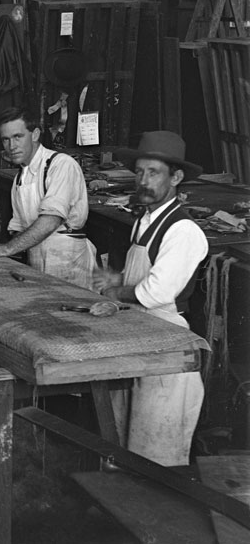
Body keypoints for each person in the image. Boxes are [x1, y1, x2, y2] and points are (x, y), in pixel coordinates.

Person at [92, 131, 208, 467]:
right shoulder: (144, 221)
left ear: (176, 177)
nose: (143, 181)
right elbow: (140, 278)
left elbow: (154, 292)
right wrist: (117, 280)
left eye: (153, 173)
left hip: (169, 350)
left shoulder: (183, 231)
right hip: (139, 336)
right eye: (139, 172)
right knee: (124, 441)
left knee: (156, 455)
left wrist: (116, 292)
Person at [0, 107, 97, 288]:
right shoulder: (19, 178)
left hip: (67, 260)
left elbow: (51, 220)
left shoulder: (60, 165)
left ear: (35, 134)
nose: (11, 146)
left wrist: (8, 248)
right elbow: (18, 229)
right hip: (36, 258)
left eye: (18, 137)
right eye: (6, 140)